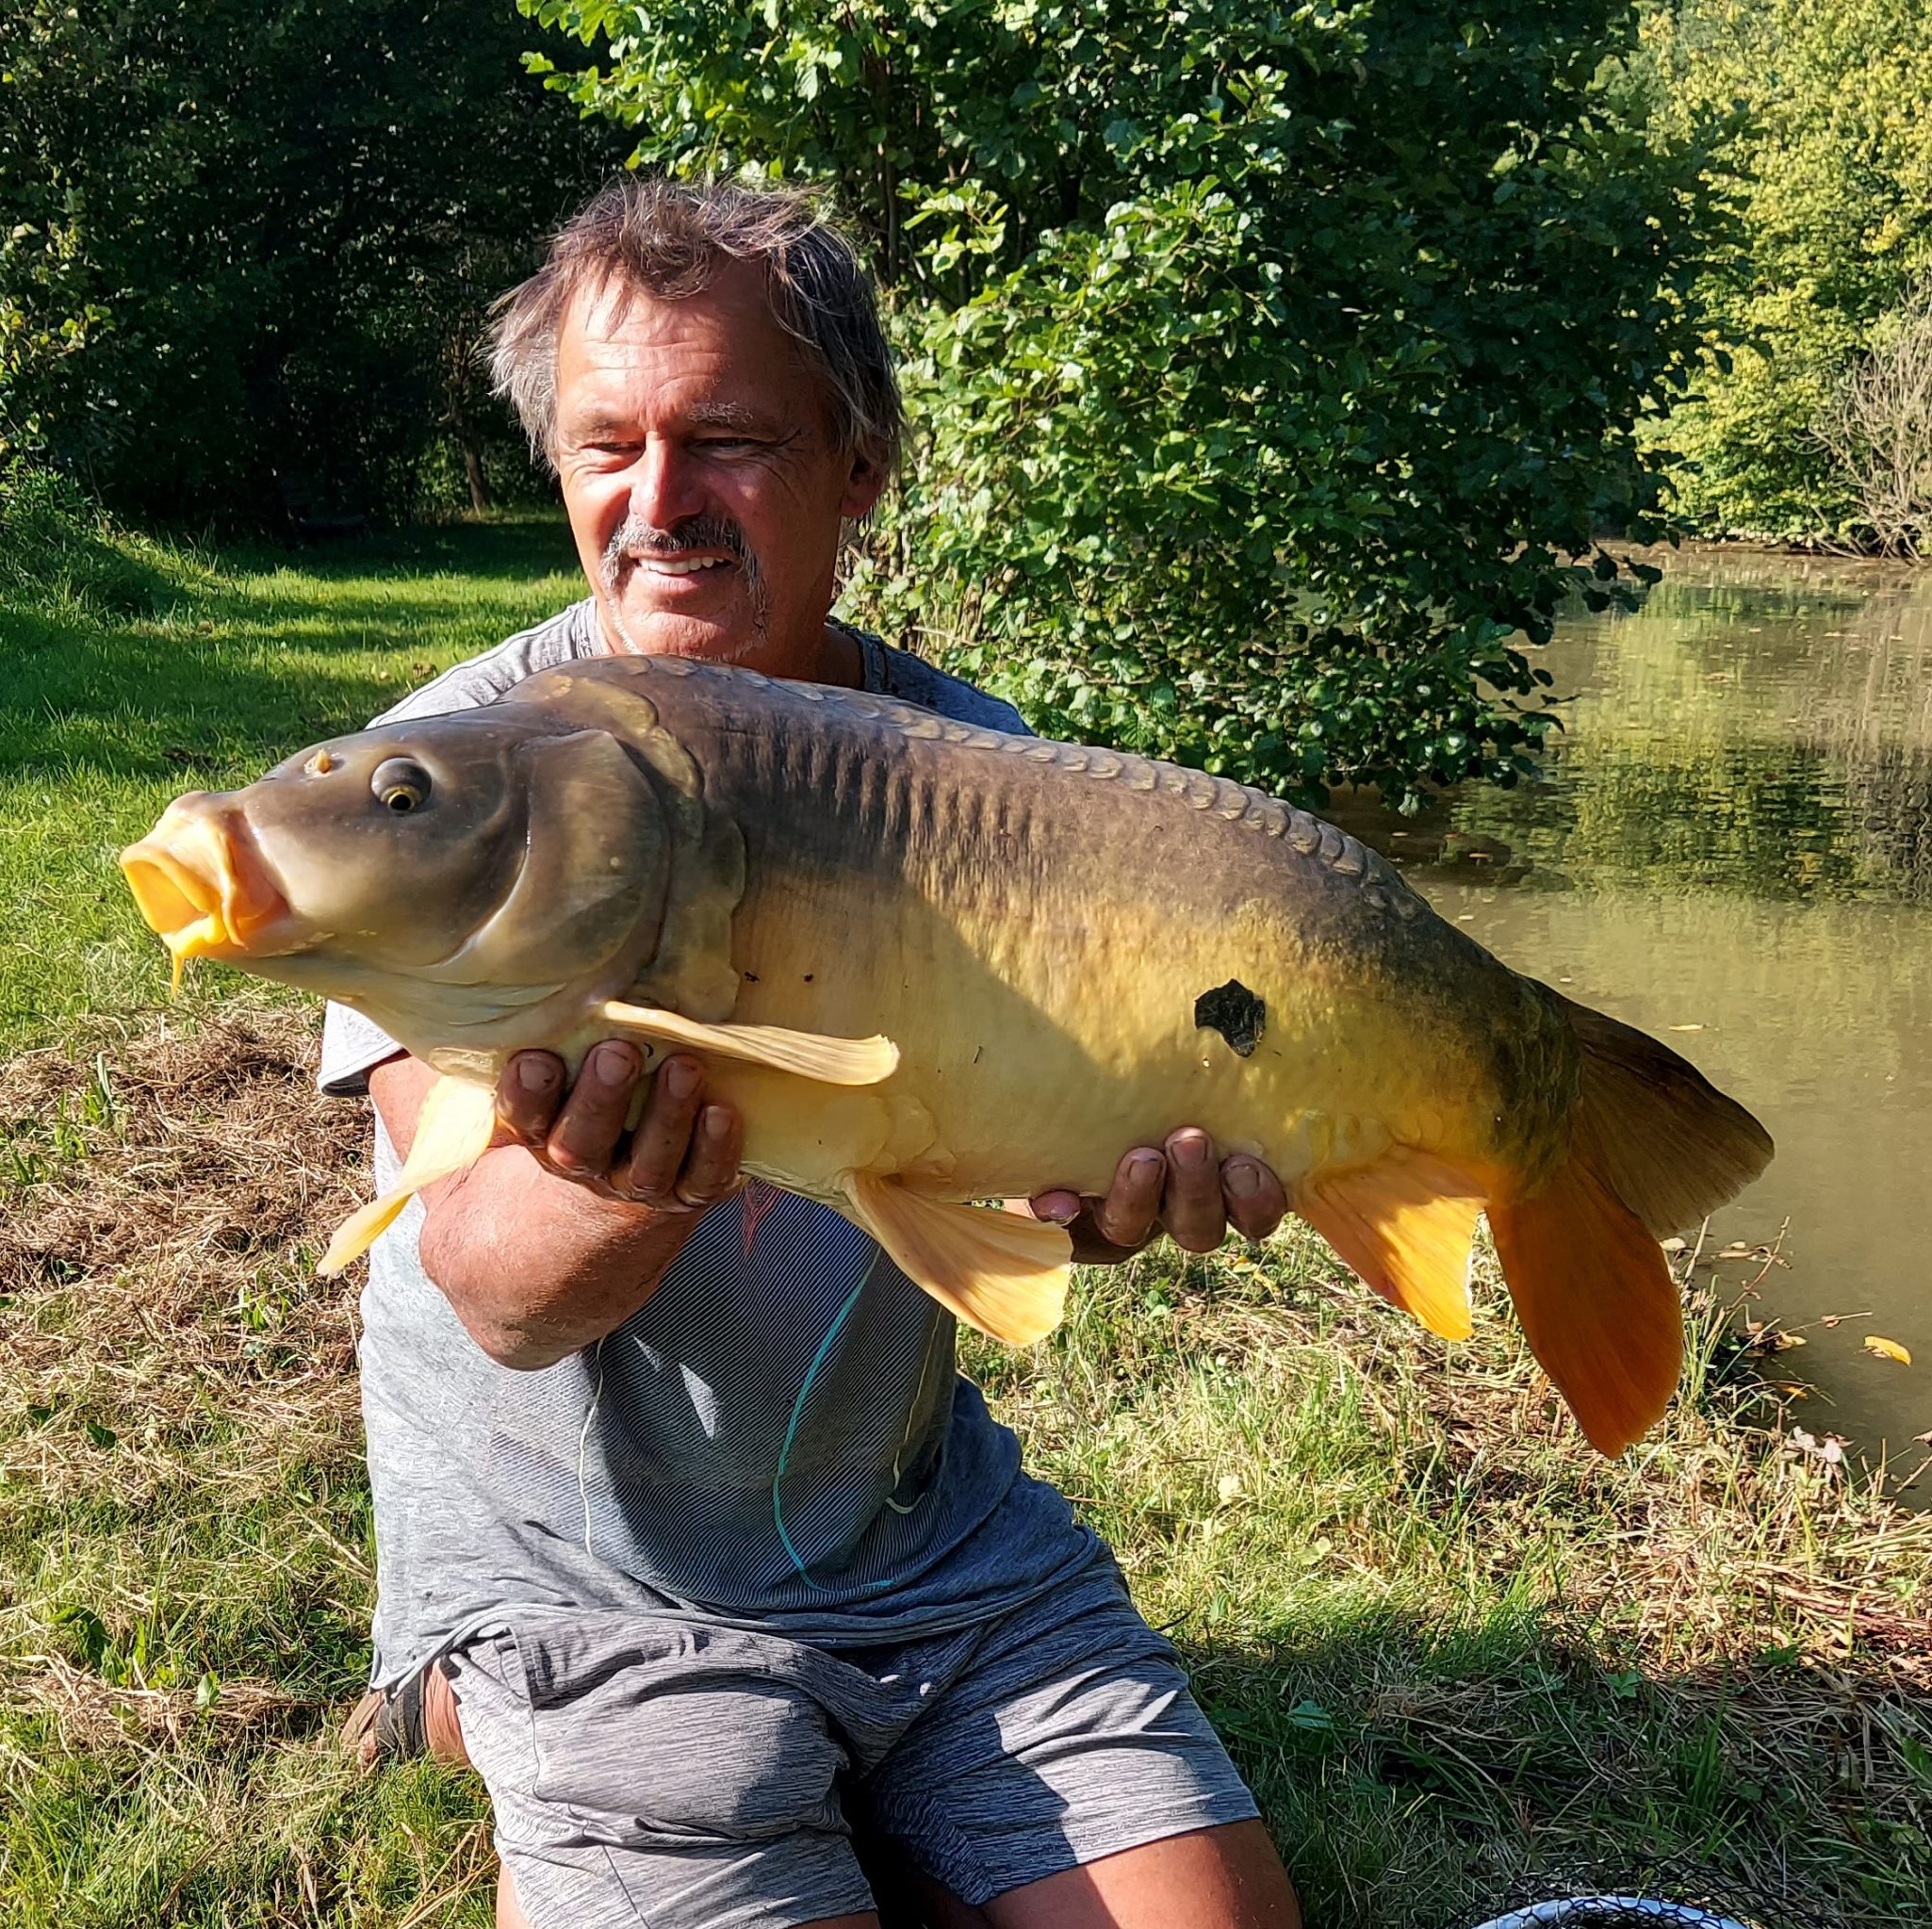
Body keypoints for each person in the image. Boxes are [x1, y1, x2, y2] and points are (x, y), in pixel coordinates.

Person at [322, 178, 1302, 1929]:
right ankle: (472, 1691)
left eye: (732, 441)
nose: (658, 500)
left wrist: (1118, 1198)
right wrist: (639, 1179)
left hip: (928, 1551)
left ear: (863, 462)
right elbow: (498, 1293)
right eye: (603, 442)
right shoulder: (447, 794)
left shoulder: (974, 771)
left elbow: (1002, 1196)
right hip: (588, 1580)